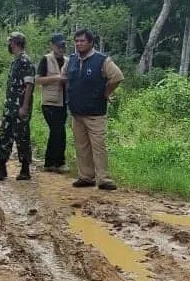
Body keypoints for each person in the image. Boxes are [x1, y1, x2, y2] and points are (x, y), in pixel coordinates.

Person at [62, 29, 124, 190]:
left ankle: (103, 178)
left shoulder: (102, 60)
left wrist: (105, 93)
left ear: (91, 43)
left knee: (98, 145)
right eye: (76, 41)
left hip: (95, 113)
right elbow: (64, 77)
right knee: (81, 145)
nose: (78, 44)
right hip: (76, 112)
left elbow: (117, 77)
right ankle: (86, 176)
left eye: (82, 41)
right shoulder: (72, 60)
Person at [0, 32, 35, 181]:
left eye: (10, 42)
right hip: (10, 107)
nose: (9, 45)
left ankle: (25, 169)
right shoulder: (15, 61)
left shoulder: (25, 61)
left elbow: (29, 84)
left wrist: (24, 107)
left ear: (14, 43)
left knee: (22, 137)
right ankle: (1, 168)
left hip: (20, 106)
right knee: (4, 135)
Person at [36, 33, 69, 173]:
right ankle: (56, 162)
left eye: (63, 45)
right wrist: (57, 78)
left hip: (63, 102)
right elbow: (38, 80)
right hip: (49, 102)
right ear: (52, 45)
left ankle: (52, 162)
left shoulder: (68, 60)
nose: (61, 48)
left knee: (59, 132)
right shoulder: (46, 60)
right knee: (58, 131)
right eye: (58, 45)